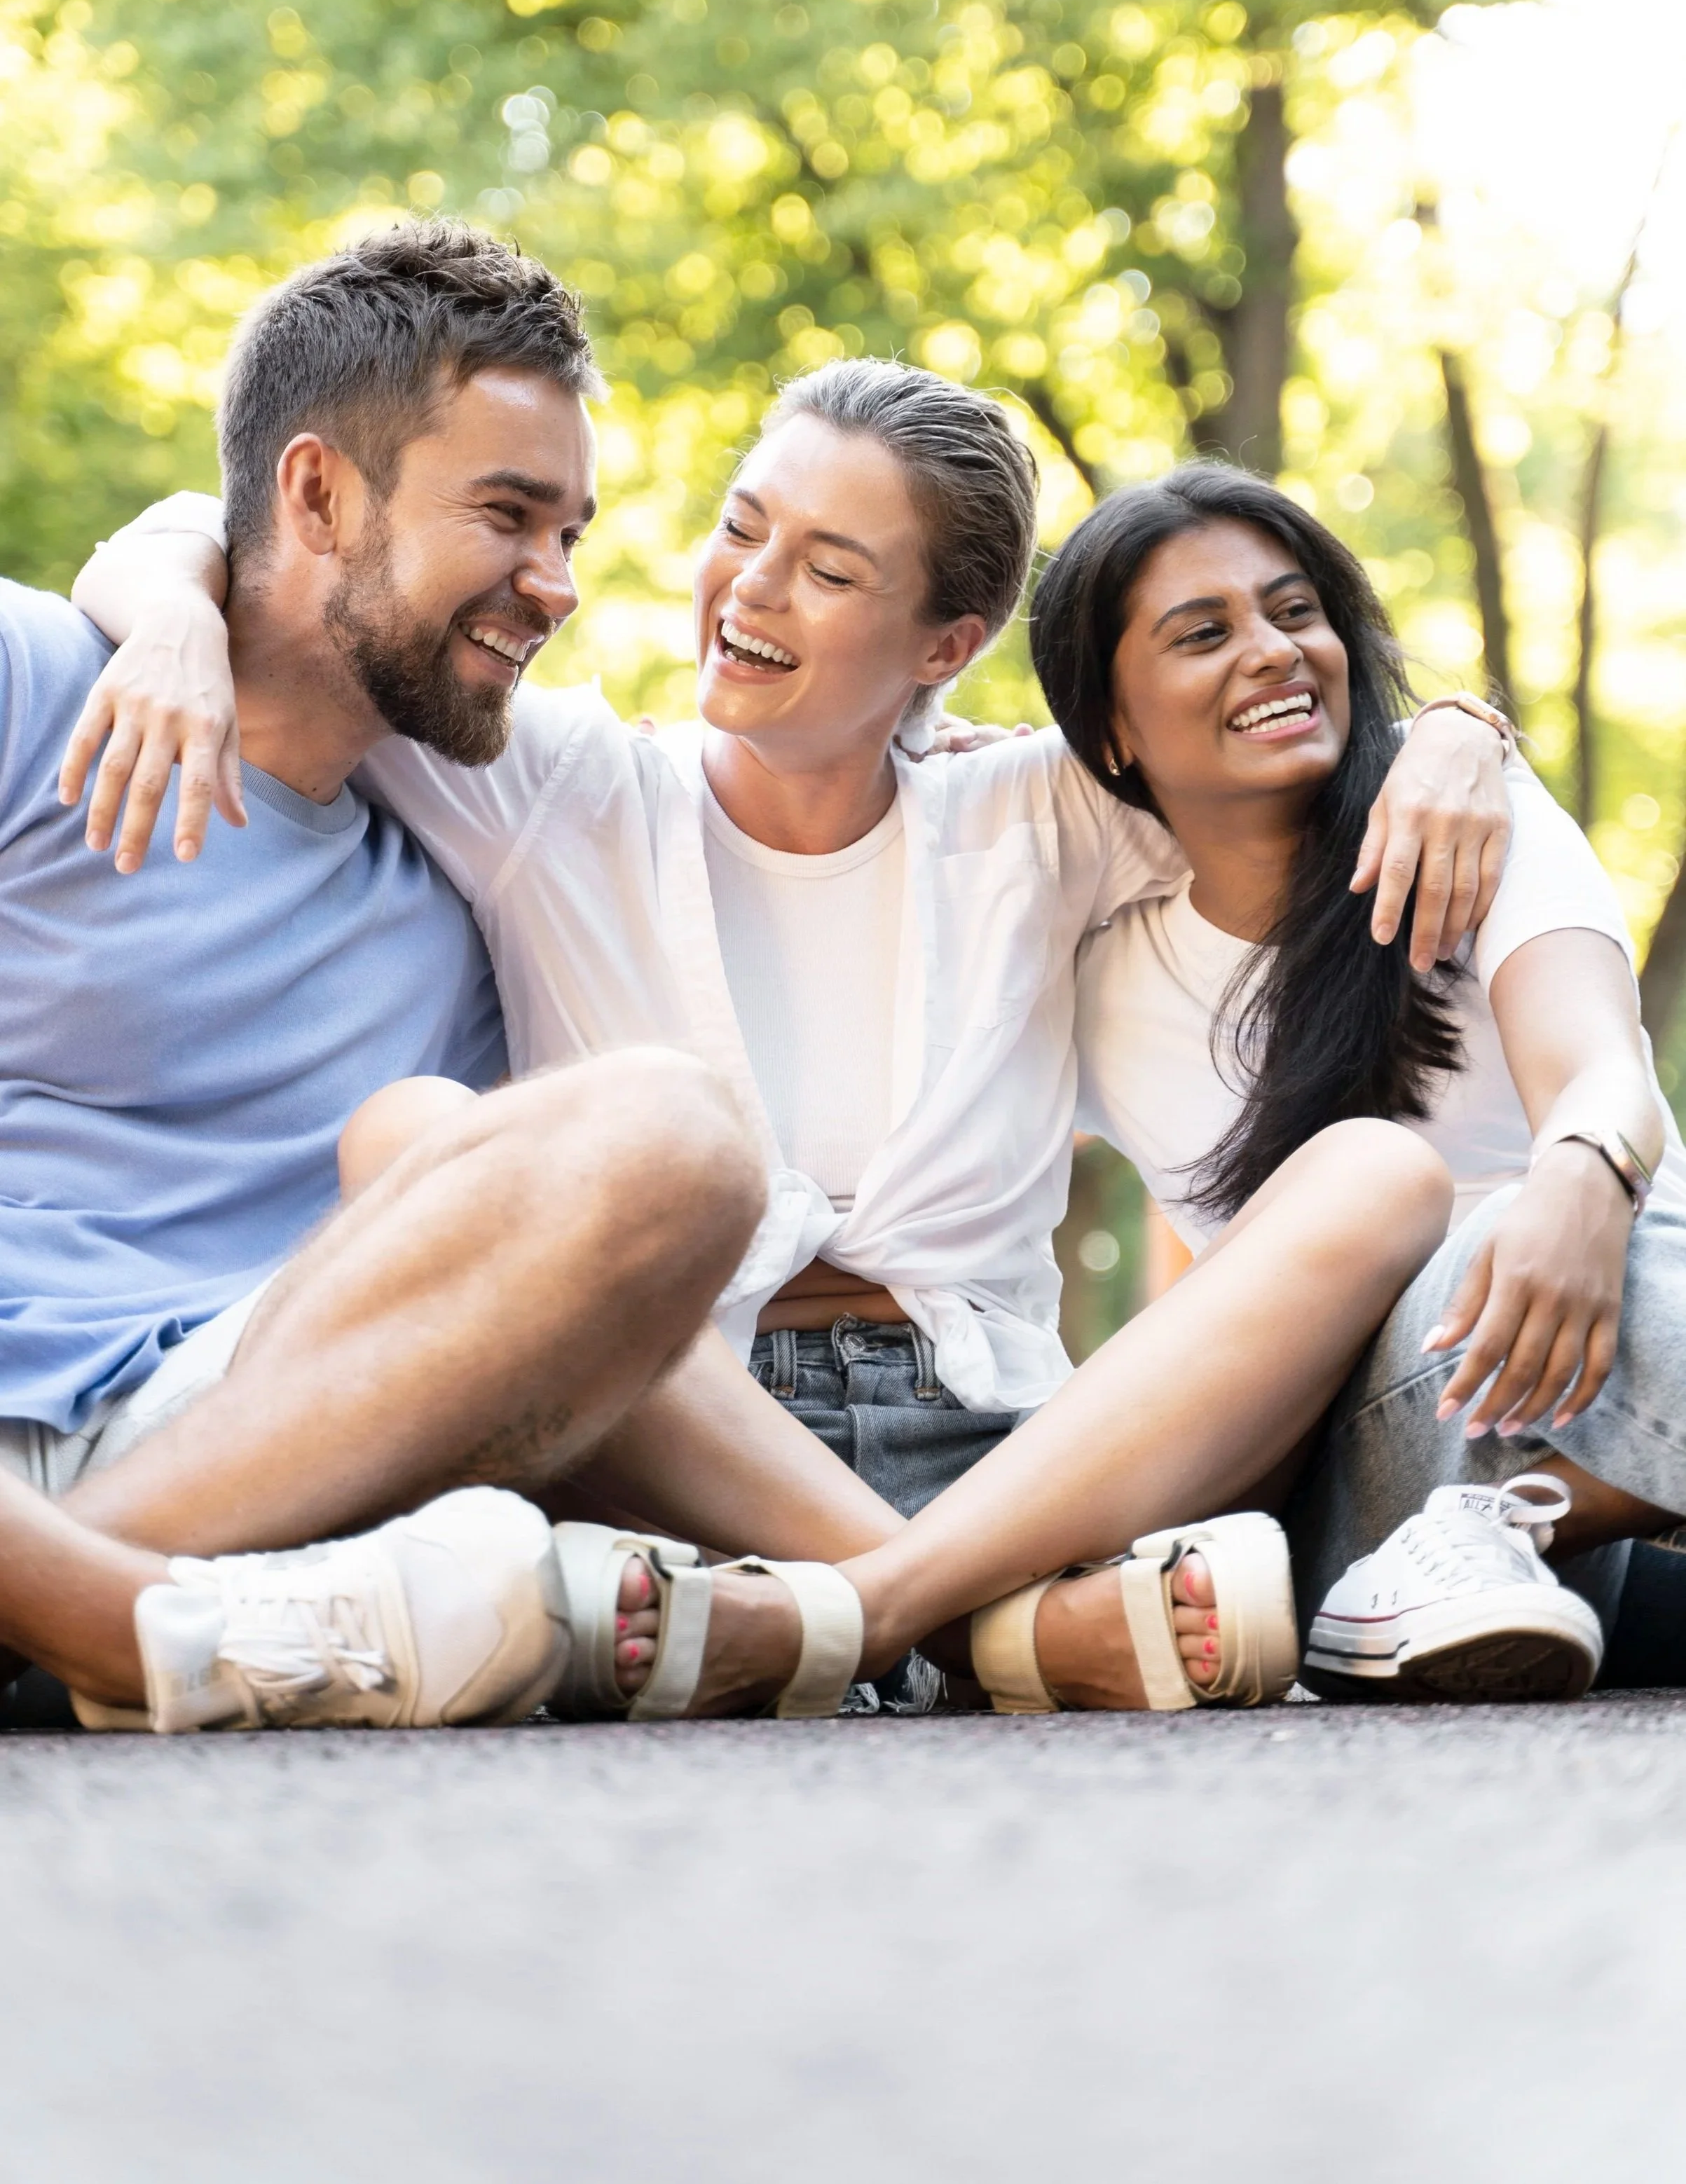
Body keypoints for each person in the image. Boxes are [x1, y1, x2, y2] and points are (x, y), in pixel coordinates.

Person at [67, 338, 1526, 1724]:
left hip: (1003, 1454)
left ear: (946, 641)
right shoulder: (551, 786)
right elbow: (230, 529)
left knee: (1377, 1177)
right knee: (413, 1138)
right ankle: (988, 1636)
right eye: (743, 528)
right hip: (667, 1439)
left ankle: (839, 1616)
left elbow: (1275, 718)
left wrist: (1463, 728)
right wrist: (182, 626)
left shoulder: (1046, 814)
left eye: (829, 569)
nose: (750, 590)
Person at [1029, 460, 1686, 1699]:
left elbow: (1598, 1064)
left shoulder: (1467, 820)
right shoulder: (1092, 967)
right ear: (1112, 724)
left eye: (1293, 611)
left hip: (1579, 1380)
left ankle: (1512, 1532)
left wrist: (1583, 1175)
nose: (1272, 651)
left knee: (1624, 1238)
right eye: (1202, 633)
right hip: (1351, 1464)